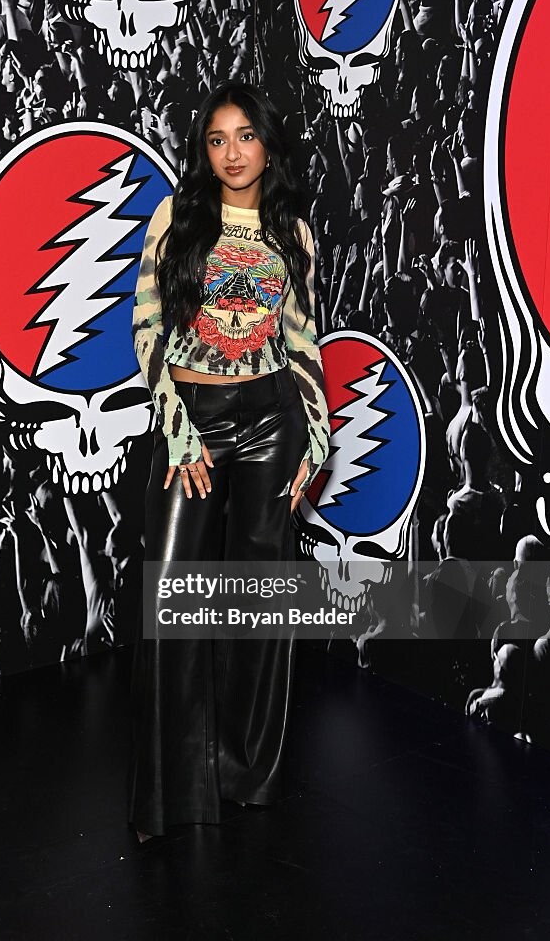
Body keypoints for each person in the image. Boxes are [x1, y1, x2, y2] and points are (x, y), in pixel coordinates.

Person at [129, 80, 331, 841]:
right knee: (174, 598)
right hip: (194, 418)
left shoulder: (292, 232)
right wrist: (178, 428)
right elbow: (147, 325)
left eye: (246, 136)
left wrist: (317, 433)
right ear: (204, 151)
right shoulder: (177, 217)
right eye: (218, 140)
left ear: (268, 145)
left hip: (272, 420)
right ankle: (174, 792)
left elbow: (301, 337)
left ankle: (248, 772)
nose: (233, 153)